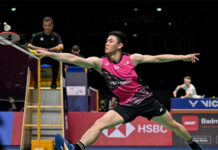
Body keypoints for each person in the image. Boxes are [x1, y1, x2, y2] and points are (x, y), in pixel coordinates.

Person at [35, 31, 203, 150]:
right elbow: (72, 58)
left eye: (111, 41)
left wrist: (182, 57)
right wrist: (49, 54)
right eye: (106, 41)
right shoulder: (100, 63)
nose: (106, 43)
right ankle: (76, 148)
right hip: (126, 105)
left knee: (172, 125)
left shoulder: (132, 59)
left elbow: (158, 58)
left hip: (146, 101)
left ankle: (191, 143)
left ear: (120, 45)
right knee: (99, 123)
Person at [28, 16, 64, 88]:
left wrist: (48, 50)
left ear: (52, 26)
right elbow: (29, 45)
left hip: (51, 56)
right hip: (41, 57)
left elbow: (61, 46)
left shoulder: (56, 35)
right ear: (43, 26)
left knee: (57, 61)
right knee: (31, 60)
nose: (47, 27)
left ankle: (53, 83)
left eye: (49, 25)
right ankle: (36, 82)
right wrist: (40, 49)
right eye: (45, 25)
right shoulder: (38, 35)